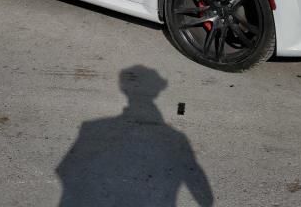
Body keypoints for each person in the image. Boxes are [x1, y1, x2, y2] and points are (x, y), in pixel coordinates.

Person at [56, 66, 214, 206]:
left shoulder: (91, 127)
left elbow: (65, 170)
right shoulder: (177, 139)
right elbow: (201, 189)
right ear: (157, 91)